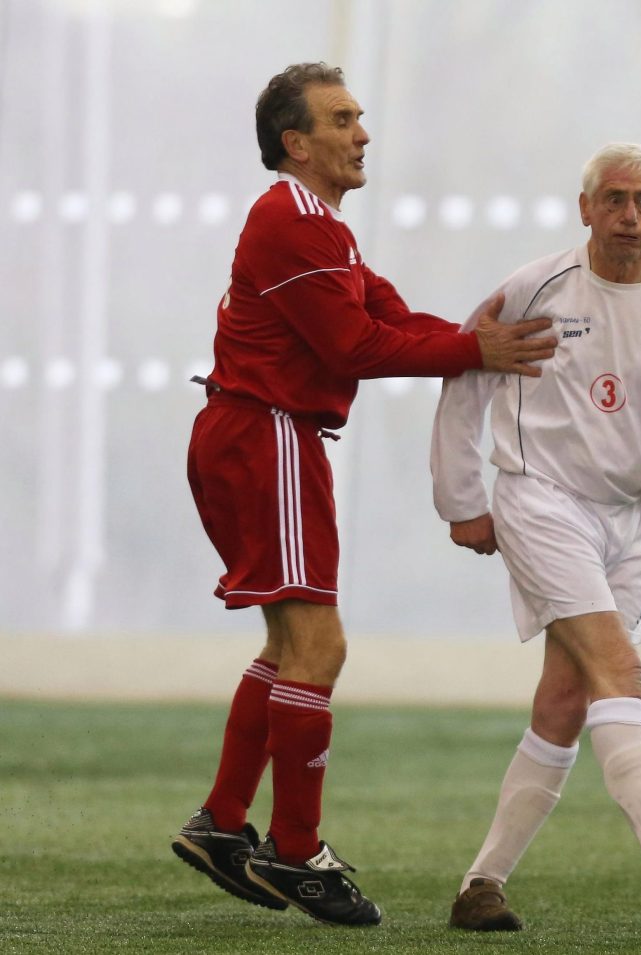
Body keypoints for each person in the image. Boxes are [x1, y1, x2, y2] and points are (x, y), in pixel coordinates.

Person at [171, 62, 556, 928]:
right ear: (294, 143)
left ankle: (224, 823)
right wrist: (474, 352)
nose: (362, 133)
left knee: (288, 644)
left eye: (360, 116)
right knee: (320, 644)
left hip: (260, 433)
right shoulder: (292, 218)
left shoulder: (319, 226)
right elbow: (353, 345)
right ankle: (297, 851)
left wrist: (470, 340)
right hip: (266, 435)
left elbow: (386, 314)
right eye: (342, 119)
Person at [430, 142, 641, 931]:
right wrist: (461, 498)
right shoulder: (534, 288)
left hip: (630, 515)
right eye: (613, 199)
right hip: (541, 500)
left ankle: (478, 884)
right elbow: (464, 376)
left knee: (562, 701)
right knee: (620, 668)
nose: (627, 215)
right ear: (584, 207)